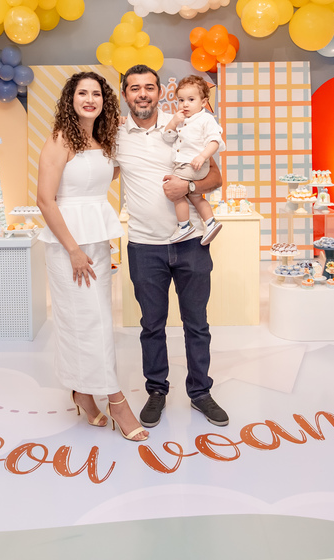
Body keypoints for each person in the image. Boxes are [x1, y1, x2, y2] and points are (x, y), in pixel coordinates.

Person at [116, 64, 229, 429]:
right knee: (151, 325)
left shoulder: (183, 122)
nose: (143, 94)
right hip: (143, 246)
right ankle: (156, 390)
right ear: (125, 94)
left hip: (191, 242)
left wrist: (189, 187)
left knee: (197, 324)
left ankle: (200, 392)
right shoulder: (116, 135)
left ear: (160, 92)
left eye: (149, 87)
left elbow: (215, 175)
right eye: (135, 88)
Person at [37, 71, 148, 442]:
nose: (89, 99)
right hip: (69, 246)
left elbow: (101, 178)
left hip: (96, 241)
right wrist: (73, 250)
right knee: (86, 322)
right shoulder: (60, 140)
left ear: (105, 100)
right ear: (71, 99)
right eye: (82, 93)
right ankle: (116, 400)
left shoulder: (102, 139)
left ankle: (82, 393)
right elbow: (45, 200)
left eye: (96, 94)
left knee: (93, 321)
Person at [163, 75, 225, 245]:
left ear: (203, 102)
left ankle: (184, 225)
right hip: (190, 165)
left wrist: (203, 156)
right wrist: (173, 122)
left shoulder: (205, 119)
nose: (185, 104)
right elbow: (167, 137)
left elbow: (215, 141)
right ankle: (211, 223)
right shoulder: (182, 120)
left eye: (191, 100)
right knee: (196, 197)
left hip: (191, 164)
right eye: (181, 100)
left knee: (176, 192)